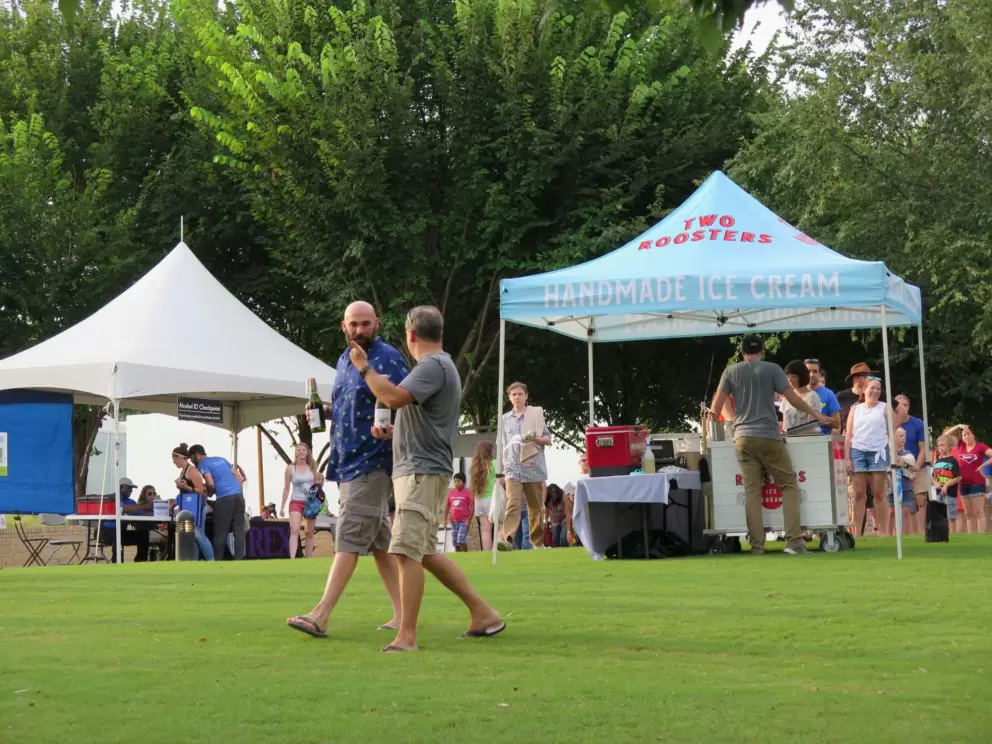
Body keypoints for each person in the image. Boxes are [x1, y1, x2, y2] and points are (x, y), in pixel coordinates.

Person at [349, 305, 503, 652]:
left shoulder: (432, 365)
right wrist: (394, 434)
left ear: (411, 334)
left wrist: (364, 367)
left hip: (421, 471)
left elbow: (392, 397)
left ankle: (407, 636)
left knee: (406, 552)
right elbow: (423, 419)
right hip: (422, 469)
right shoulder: (439, 366)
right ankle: (484, 614)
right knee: (426, 552)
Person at [286, 301, 407, 638]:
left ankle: (321, 614)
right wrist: (327, 411)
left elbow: (406, 401)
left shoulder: (388, 358)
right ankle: (402, 615)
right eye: (354, 324)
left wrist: (394, 429)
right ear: (344, 326)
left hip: (372, 461)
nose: (360, 330)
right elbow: (351, 403)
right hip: (347, 462)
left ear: (377, 323)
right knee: (380, 544)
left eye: (366, 324)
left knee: (348, 537)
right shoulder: (344, 360)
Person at [709, 335, 831, 555]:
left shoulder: (730, 371)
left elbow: (716, 407)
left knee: (752, 491)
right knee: (788, 485)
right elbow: (793, 399)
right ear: (762, 352)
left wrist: (714, 419)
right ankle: (794, 542)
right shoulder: (773, 369)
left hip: (742, 438)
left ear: (742, 353)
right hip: (768, 435)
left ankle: (757, 546)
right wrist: (816, 414)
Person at [495, 381, 552, 551]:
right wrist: (500, 471)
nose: (517, 397)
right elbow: (501, 445)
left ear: (526, 396)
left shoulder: (535, 415)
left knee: (535, 506)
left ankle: (537, 542)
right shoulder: (504, 419)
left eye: (520, 394)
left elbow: (548, 439)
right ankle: (508, 539)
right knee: (513, 503)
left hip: (532, 465)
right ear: (509, 398)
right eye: (514, 394)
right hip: (512, 467)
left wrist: (535, 438)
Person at [845, 378, 891, 537]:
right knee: (859, 494)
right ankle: (857, 533)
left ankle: (883, 532)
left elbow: (891, 431)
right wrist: (847, 458)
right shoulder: (855, 409)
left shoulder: (884, 407)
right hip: (858, 451)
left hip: (878, 451)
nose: (875, 391)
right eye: (872, 388)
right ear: (864, 389)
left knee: (879, 492)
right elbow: (848, 435)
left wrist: (893, 453)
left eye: (878, 389)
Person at [189, 444, 246, 560]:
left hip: (224, 499)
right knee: (239, 531)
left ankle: (218, 560)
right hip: (239, 497)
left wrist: (209, 493)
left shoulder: (202, 464)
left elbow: (210, 482)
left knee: (221, 532)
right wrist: (239, 493)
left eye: (191, 458)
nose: (191, 461)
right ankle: (240, 560)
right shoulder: (222, 459)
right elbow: (238, 478)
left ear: (197, 455)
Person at [944, 424, 992, 534]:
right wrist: (958, 426)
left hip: (977, 483)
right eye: (964, 435)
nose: (966, 437)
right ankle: (971, 537)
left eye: (968, 434)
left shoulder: (980, 446)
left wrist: (983, 466)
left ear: (973, 435)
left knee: (979, 511)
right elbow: (945, 437)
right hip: (963, 483)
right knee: (968, 514)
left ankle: (981, 537)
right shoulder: (960, 445)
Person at [280, 443, 323, 558]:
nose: (301, 452)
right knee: (294, 530)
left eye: (303, 450)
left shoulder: (312, 468)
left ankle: (309, 558)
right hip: (296, 501)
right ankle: (292, 558)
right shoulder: (290, 468)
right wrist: (282, 506)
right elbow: (286, 488)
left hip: (310, 503)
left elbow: (317, 485)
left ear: (307, 452)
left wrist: (320, 500)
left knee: (309, 532)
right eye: (298, 450)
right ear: (296, 453)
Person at [894, 394, 929, 532]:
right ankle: (908, 533)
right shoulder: (890, 423)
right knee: (904, 504)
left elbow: (923, 447)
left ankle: (924, 531)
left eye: (905, 405)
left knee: (921, 500)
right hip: (898, 469)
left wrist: (917, 466)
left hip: (917, 467)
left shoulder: (918, 424)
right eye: (899, 405)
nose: (902, 408)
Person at [99, 477, 151, 562]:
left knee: (143, 535)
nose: (131, 490)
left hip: (121, 532)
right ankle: (117, 563)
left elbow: (141, 513)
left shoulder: (131, 502)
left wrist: (155, 510)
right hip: (105, 531)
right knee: (117, 534)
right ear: (120, 487)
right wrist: (144, 506)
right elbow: (123, 508)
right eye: (128, 487)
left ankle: (140, 562)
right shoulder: (113, 497)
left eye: (132, 488)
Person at [886, 427, 918, 536]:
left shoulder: (908, 454)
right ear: (894, 438)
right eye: (900, 436)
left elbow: (913, 468)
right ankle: (888, 535)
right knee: (891, 512)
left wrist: (903, 463)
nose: (903, 438)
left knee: (905, 511)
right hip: (891, 486)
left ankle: (905, 536)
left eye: (904, 436)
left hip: (905, 486)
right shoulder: (888, 454)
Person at [780, 360, 824, 436]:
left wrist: (791, 433)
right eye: (788, 376)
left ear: (802, 376)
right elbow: (785, 424)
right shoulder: (787, 396)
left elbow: (812, 427)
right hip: (788, 440)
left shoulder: (813, 397)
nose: (790, 379)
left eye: (794, 376)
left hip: (805, 440)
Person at [469, 440, 495, 552]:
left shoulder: (474, 466)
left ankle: (487, 554)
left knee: (485, 530)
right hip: (492, 499)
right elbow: (502, 481)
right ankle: (497, 551)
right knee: (500, 528)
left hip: (479, 500)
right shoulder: (494, 464)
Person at [931, 435, 962, 530]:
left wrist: (947, 485)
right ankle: (943, 534)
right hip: (939, 493)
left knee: (950, 516)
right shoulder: (937, 461)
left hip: (950, 494)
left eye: (942, 445)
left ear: (949, 446)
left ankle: (952, 534)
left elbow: (958, 477)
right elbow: (932, 476)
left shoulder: (953, 461)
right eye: (938, 445)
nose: (940, 448)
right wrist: (935, 483)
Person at [805, 359, 841, 433]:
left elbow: (837, 424)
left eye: (815, 371)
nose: (811, 374)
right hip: (798, 438)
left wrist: (820, 418)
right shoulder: (795, 394)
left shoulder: (829, 394)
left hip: (821, 438)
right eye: (808, 371)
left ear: (819, 374)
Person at [445, 473, 474, 552]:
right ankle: (459, 556)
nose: (456, 483)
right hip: (453, 522)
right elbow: (447, 506)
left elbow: (472, 508)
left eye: (458, 481)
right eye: (455, 481)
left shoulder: (468, 493)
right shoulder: (451, 493)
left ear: (464, 483)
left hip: (464, 521)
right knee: (455, 543)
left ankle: (466, 555)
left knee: (461, 540)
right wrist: (445, 519)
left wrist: (469, 520)